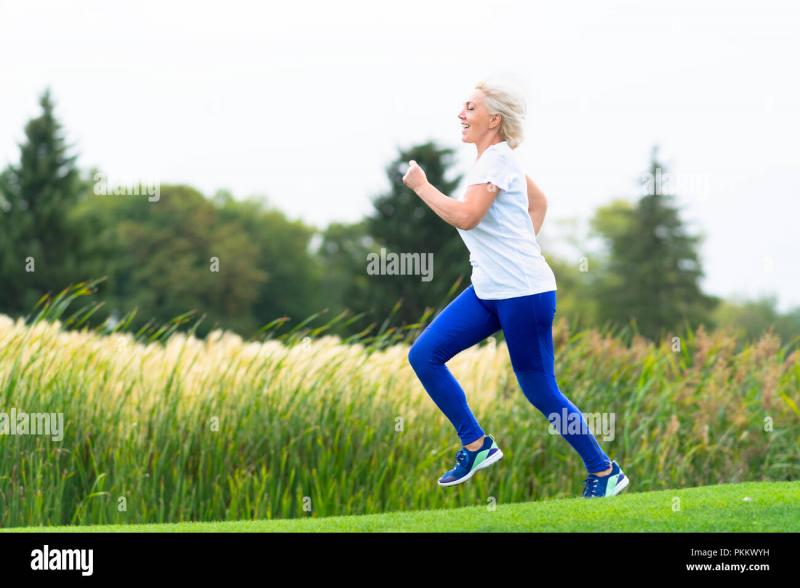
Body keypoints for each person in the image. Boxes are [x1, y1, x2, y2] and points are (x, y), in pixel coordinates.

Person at [402, 79, 629, 498]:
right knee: (425, 355)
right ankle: (476, 444)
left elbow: (467, 217)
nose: (460, 114)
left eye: (470, 108)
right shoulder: (496, 162)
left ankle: (604, 471)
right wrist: (517, 249)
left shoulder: (496, 162)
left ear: (494, 119)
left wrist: (421, 187)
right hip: (489, 290)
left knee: (540, 390)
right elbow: (538, 202)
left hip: (523, 294)